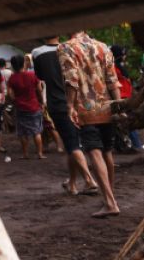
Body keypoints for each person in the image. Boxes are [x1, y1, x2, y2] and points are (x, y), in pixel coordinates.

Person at [59, 31, 121, 218]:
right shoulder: (102, 46)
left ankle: (110, 202)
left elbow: (72, 79)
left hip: (85, 107)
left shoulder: (66, 47)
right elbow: (112, 79)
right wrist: (119, 105)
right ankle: (110, 198)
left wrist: (70, 105)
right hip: (107, 105)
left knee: (94, 151)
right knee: (107, 151)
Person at [33, 37, 98, 195]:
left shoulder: (38, 53)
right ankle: (72, 183)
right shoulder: (72, 48)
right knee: (72, 143)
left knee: (72, 144)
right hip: (82, 102)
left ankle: (89, 180)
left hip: (59, 103)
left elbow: (40, 77)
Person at [7, 55, 45, 159]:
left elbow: (10, 94)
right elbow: (39, 90)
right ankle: (40, 153)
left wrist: (15, 101)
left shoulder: (12, 78)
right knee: (36, 131)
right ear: (23, 63)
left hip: (20, 108)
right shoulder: (32, 75)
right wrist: (41, 102)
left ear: (13, 65)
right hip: (34, 106)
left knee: (22, 132)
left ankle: (25, 154)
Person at [110, 46, 144, 151]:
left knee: (124, 120)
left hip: (126, 96)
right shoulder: (115, 68)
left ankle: (128, 144)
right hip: (121, 97)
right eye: (123, 54)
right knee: (126, 120)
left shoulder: (119, 67)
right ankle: (135, 144)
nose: (125, 56)